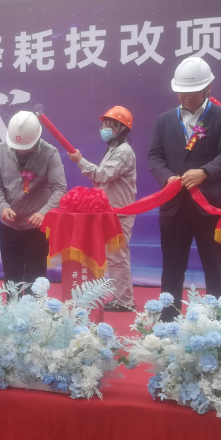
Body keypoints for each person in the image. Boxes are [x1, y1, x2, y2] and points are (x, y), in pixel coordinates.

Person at [147, 57, 221, 320]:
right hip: (174, 207)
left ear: (208, 87)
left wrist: (204, 172)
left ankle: (219, 322)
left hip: (210, 206)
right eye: (181, 91)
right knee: (172, 267)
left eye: (192, 91)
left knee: (215, 266)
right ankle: (168, 321)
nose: (186, 97)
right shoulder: (164, 120)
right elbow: (154, 156)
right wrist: (167, 178)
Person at [0, 110, 67, 295]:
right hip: (9, 225)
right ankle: (11, 312)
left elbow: (60, 188)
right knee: (11, 280)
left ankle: (34, 314)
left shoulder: (50, 153)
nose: (21, 151)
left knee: (35, 280)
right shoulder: (0, 151)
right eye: (17, 147)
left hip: (36, 228)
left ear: (37, 138)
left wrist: (44, 212)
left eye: (26, 148)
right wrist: (3, 206)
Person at [68, 107, 137, 310]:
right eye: (104, 125)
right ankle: (121, 298)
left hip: (120, 212)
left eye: (110, 125)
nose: (104, 129)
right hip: (110, 212)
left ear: (122, 128)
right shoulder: (114, 149)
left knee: (118, 257)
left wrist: (80, 161)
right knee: (114, 257)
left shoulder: (123, 152)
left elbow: (102, 175)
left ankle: (125, 301)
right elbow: (102, 180)